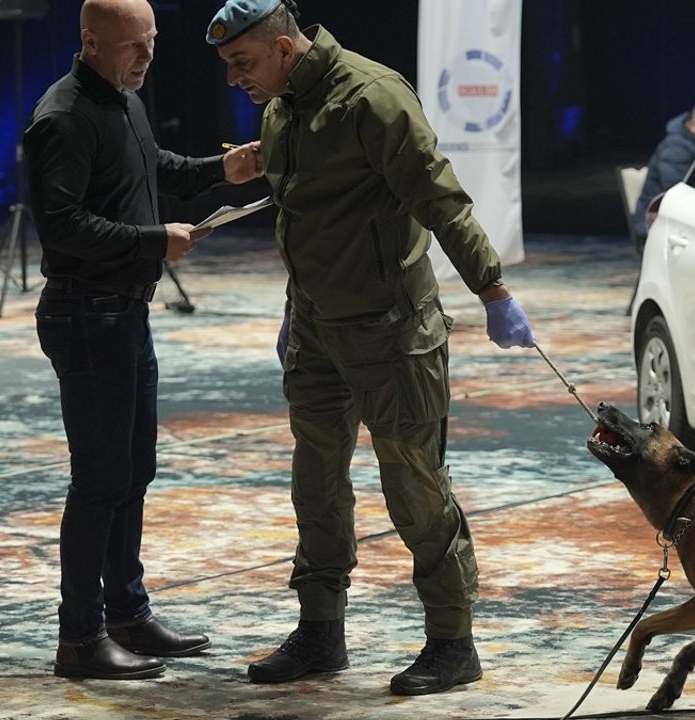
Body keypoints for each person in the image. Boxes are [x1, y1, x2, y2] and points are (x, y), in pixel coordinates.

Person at [205, 0, 536, 695]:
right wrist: (296, 307)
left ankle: (452, 641)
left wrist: (493, 291)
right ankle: (320, 631)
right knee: (316, 485)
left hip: (391, 332)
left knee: (413, 484)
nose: (235, 78)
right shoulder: (283, 107)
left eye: (243, 63)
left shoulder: (373, 96)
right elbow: (310, 205)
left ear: (284, 48)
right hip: (319, 329)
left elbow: (440, 199)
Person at [25, 0, 264, 681]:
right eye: (134, 46)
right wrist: (155, 242)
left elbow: (151, 167)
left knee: (132, 473)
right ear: (90, 42)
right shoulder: (63, 117)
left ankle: (127, 614)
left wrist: (226, 170)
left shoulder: (123, 98)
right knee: (99, 481)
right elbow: (63, 226)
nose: (147, 57)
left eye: (153, 43)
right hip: (85, 312)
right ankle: (80, 638)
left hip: (124, 311)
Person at [632, 101, 695, 237]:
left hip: (677, 217)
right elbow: (678, 190)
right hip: (656, 223)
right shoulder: (675, 147)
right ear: (692, 126)